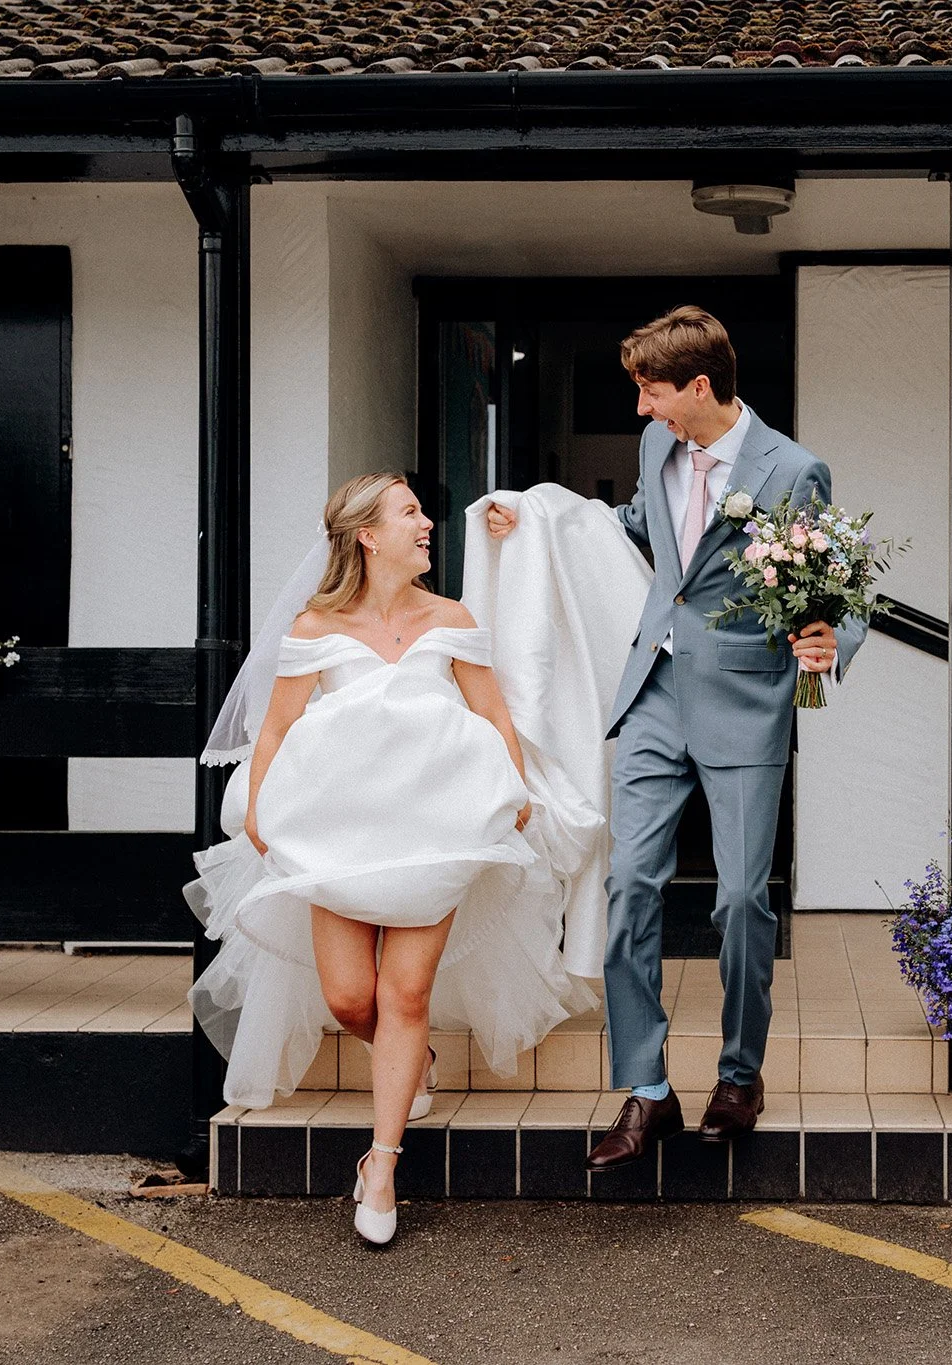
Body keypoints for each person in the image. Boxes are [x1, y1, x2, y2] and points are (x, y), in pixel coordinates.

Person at [486, 305, 866, 1172]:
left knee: (739, 901)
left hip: (745, 701)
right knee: (631, 886)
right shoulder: (660, 449)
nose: (642, 410)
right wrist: (536, 519)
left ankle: (740, 1075)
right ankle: (648, 1091)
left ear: (699, 387)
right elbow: (639, 531)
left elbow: (829, 581)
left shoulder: (795, 470)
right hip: (653, 690)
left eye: (652, 392)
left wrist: (827, 643)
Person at [187, 471, 596, 1245]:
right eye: (410, 513)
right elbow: (275, 729)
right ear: (368, 535)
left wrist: (508, 789)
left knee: (404, 995)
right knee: (350, 999)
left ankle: (381, 1166)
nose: (428, 524)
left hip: (434, 834)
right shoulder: (314, 627)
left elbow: (493, 712)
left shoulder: (453, 617)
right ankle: (415, 1060)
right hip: (338, 835)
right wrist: (265, 813)